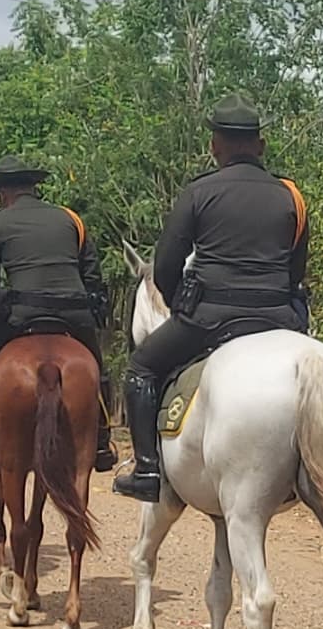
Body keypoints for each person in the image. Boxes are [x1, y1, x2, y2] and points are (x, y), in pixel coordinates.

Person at [112, 102, 311, 500]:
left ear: (214, 146)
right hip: (278, 318)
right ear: (261, 146)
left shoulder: (198, 192)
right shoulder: (292, 197)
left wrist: (179, 303)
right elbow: (296, 269)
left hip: (210, 318)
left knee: (141, 368)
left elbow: (165, 266)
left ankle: (147, 469)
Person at [0, 156, 113, 466]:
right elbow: (91, 271)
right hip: (74, 315)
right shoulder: (70, 218)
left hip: (21, 315)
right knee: (99, 369)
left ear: (2, 193)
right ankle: (102, 440)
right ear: (33, 187)